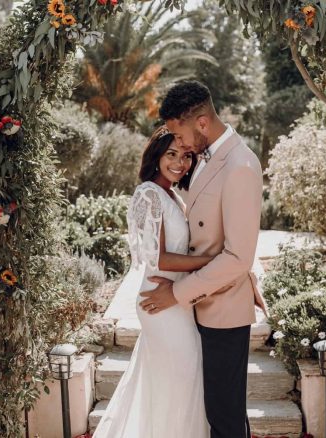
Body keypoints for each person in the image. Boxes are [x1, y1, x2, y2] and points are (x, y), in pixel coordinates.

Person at [139, 80, 266, 438]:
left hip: (223, 309)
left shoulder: (240, 165)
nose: (177, 144)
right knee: (217, 412)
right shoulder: (209, 158)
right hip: (204, 305)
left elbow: (238, 256)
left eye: (179, 134)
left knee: (224, 416)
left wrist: (177, 294)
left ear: (201, 123)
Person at [93, 126, 211, 438]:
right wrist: (213, 262)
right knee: (180, 380)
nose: (180, 162)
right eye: (171, 154)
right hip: (159, 302)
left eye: (186, 156)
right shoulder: (148, 194)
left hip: (177, 299)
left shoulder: (173, 195)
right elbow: (158, 259)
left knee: (175, 383)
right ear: (156, 155)